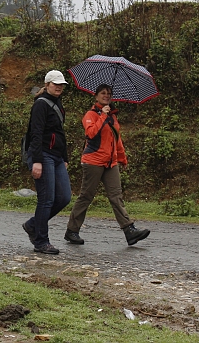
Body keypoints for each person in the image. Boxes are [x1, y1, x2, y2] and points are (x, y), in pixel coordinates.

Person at [64, 84, 150, 246]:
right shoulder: (90, 115)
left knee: (116, 196)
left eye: (109, 94)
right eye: (103, 93)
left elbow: (116, 139)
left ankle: (129, 230)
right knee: (86, 196)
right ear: (96, 96)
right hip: (93, 161)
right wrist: (102, 116)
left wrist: (122, 158)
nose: (106, 96)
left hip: (111, 163)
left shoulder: (112, 116)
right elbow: (90, 133)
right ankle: (72, 231)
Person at [22, 70, 72, 254]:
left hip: (57, 157)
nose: (58, 87)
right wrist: (36, 161)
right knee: (46, 199)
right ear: (47, 84)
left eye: (61, 84)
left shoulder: (58, 103)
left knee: (64, 197)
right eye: (55, 83)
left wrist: (64, 157)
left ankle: (33, 224)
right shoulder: (40, 105)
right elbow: (35, 133)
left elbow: (60, 133)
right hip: (43, 155)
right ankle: (41, 241)